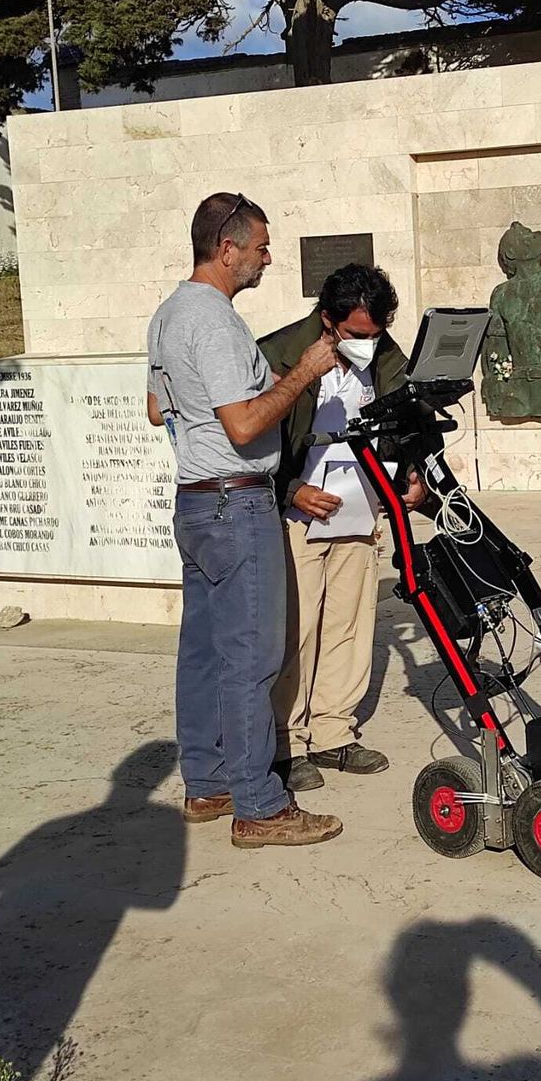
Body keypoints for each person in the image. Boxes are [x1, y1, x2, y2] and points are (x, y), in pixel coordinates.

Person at [145, 191, 343, 847]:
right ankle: (259, 803)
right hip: (236, 502)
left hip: (195, 502)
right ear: (226, 249)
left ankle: (207, 782)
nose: (267, 255)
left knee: (202, 654)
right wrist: (302, 373)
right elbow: (245, 421)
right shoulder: (215, 321)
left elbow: (157, 407)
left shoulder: (169, 314)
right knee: (251, 657)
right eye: (260, 245)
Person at [259, 263, 426, 793]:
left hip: (360, 502)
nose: (368, 344)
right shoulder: (278, 353)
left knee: (350, 622)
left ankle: (334, 730)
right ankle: (287, 741)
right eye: (357, 335)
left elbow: (407, 414)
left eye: (376, 335)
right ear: (328, 321)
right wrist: (292, 489)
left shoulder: (384, 354)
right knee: (298, 628)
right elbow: (250, 435)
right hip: (298, 511)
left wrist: (412, 470)